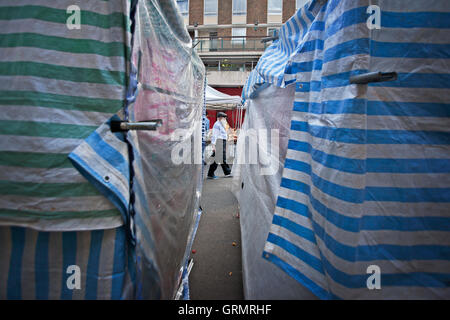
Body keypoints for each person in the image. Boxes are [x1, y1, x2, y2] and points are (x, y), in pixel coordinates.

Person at [207, 112, 232, 179]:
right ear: (219, 118)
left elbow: (228, 130)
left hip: (223, 141)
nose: (225, 118)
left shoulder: (224, 123)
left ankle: (212, 173)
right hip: (219, 141)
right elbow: (214, 136)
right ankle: (226, 172)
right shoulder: (216, 124)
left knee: (219, 158)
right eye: (224, 117)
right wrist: (213, 145)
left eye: (225, 117)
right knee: (219, 158)